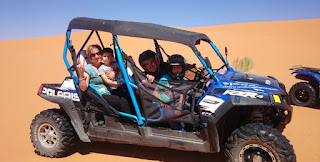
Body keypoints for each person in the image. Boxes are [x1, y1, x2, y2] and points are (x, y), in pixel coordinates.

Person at [77, 44, 131, 114]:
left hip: (111, 91)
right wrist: (81, 74)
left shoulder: (106, 64)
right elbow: (84, 88)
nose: (96, 56)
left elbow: (118, 69)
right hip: (99, 96)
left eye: (98, 53)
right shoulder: (88, 69)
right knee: (122, 102)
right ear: (90, 58)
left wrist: (114, 72)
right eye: (93, 55)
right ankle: (128, 122)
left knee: (129, 93)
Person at [155, 54, 189, 130]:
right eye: (175, 68)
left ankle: (189, 130)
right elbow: (155, 92)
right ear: (170, 69)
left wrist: (179, 106)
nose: (177, 70)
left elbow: (182, 95)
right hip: (164, 104)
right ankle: (177, 130)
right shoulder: (165, 79)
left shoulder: (182, 82)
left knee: (187, 111)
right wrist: (161, 102)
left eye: (179, 68)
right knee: (170, 114)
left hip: (175, 103)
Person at [138, 50, 204, 82]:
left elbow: (178, 66)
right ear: (144, 67)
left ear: (156, 61)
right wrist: (146, 81)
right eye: (146, 64)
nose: (150, 65)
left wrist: (194, 65)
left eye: (152, 62)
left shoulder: (164, 66)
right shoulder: (144, 76)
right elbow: (138, 90)